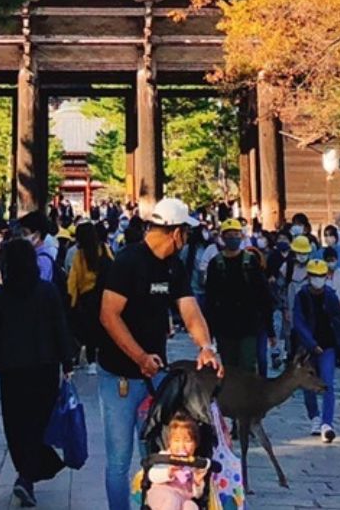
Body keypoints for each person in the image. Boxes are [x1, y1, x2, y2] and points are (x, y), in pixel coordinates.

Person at [98, 198, 221, 510]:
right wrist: (139, 356)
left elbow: (189, 309)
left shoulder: (174, 266)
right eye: (186, 234)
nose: (187, 240)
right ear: (176, 233)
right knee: (119, 459)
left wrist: (206, 347)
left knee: (157, 453)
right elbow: (108, 314)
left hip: (156, 377)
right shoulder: (128, 262)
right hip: (119, 377)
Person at [0, 238, 76, 508]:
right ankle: (29, 475)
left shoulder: (3, 296)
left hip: (12, 369)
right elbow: (60, 328)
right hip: (44, 367)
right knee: (40, 423)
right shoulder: (47, 292)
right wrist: (68, 362)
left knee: (17, 425)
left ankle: (26, 475)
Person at [292, 257, 340, 442]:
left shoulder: (330, 296)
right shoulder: (302, 296)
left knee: (328, 383)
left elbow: (338, 323)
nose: (317, 279)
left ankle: (327, 423)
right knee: (308, 384)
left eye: (321, 275)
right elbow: (298, 322)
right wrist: (311, 344)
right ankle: (314, 416)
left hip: (328, 346)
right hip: (309, 347)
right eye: (314, 275)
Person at [204, 218, 272, 375]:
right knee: (228, 368)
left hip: (249, 325)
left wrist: (269, 328)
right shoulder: (215, 264)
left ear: (241, 236)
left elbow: (263, 295)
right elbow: (210, 299)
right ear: (223, 237)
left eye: (236, 234)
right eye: (229, 235)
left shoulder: (251, 261)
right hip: (225, 326)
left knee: (248, 367)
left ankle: (248, 398)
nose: (233, 238)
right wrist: (209, 332)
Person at [67, 221, 111, 374]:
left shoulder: (79, 255)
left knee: (90, 331)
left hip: (87, 299)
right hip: (104, 295)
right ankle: (104, 358)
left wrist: (71, 301)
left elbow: (74, 280)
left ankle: (91, 362)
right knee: (104, 328)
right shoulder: (105, 249)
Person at [145, 413, 209, 510]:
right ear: (170, 442)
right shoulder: (165, 456)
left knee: (191, 506)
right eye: (177, 440)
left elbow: (197, 495)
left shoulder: (195, 464)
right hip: (161, 495)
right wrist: (168, 472)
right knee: (172, 500)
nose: (182, 446)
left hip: (184, 499)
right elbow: (152, 475)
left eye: (187, 441)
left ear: (195, 444)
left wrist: (197, 482)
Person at [18, 211, 59, 283]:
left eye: (25, 233)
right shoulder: (31, 255)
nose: (22, 237)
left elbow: (38, 288)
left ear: (37, 235)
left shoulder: (42, 260)